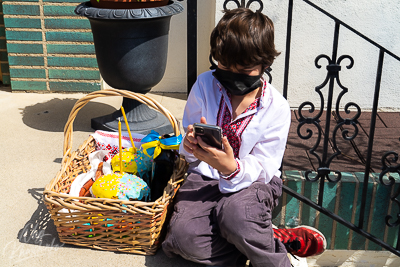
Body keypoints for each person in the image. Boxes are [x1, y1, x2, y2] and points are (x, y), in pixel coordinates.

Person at [162, 8, 326, 267]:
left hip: (254, 183)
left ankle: (271, 254)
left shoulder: (276, 107)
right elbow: (188, 140)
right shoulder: (205, 85)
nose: (233, 74)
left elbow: (265, 165)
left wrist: (231, 168)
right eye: (225, 66)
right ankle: (268, 238)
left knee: (236, 216)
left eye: (245, 69)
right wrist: (190, 144)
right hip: (203, 177)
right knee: (184, 241)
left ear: (265, 64)